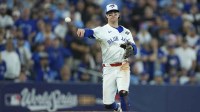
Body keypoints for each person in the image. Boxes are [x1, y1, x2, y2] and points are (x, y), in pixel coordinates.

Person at [77, 4, 137, 111]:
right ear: (106, 16)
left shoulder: (126, 32)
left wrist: (131, 49)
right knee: (108, 104)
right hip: (108, 68)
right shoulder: (102, 30)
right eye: (110, 13)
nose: (113, 15)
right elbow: (90, 32)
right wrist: (83, 31)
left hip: (123, 66)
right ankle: (117, 108)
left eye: (115, 13)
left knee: (123, 92)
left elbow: (134, 49)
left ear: (119, 14)